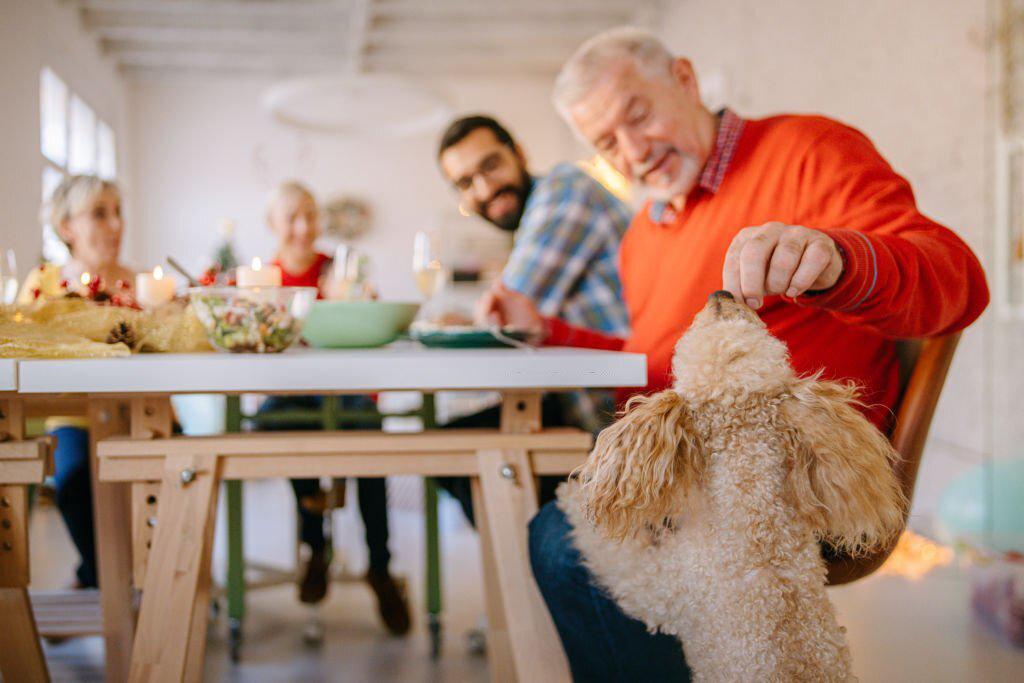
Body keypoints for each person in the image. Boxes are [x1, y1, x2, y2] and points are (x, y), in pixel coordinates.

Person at [478, 28, 990, 681]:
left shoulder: (808, 150)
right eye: (607, 143)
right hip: (695, 471)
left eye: (639, 114)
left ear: (685, 80)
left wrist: (838, 259)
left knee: (566, 542)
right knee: (545, 515)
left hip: (804, 478)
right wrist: (549, 330)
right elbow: (656, 365)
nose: (634, 150)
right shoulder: (642, 239)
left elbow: (959, 280)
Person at [434, 115, 633, 522]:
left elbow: (505, 316)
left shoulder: (565, 190)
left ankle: (537, 548)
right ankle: (529, 547)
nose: (484, 189)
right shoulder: (535, 215)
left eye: (491, 165)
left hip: (632, 418)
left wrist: (473, 321)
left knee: (456, 452)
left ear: (519, 153)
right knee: (453, 448)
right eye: (466, 183)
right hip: (596, 407)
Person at [257, 180, 410, 635]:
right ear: (272, 224)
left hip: (345, 389)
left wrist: (356, 301)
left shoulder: (341, 269)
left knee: (368, 438)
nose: (304, 226)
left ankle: (378, 565)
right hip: (289, 392)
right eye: (292, 217)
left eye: (310, 214)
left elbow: (371, 328)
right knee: (278, 423)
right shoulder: (264, 279)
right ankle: (315, 543)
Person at [19, 175, 135, 591]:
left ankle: (142, 578)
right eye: (100, 214)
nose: (116, 225)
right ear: (67, 226)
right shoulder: (44, 284)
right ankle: (104, 580)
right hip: (71, 415)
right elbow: (21, 349)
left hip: (140, 413)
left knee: (177, 475)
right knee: (72, 484)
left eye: (117, 213)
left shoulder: (140, 284)